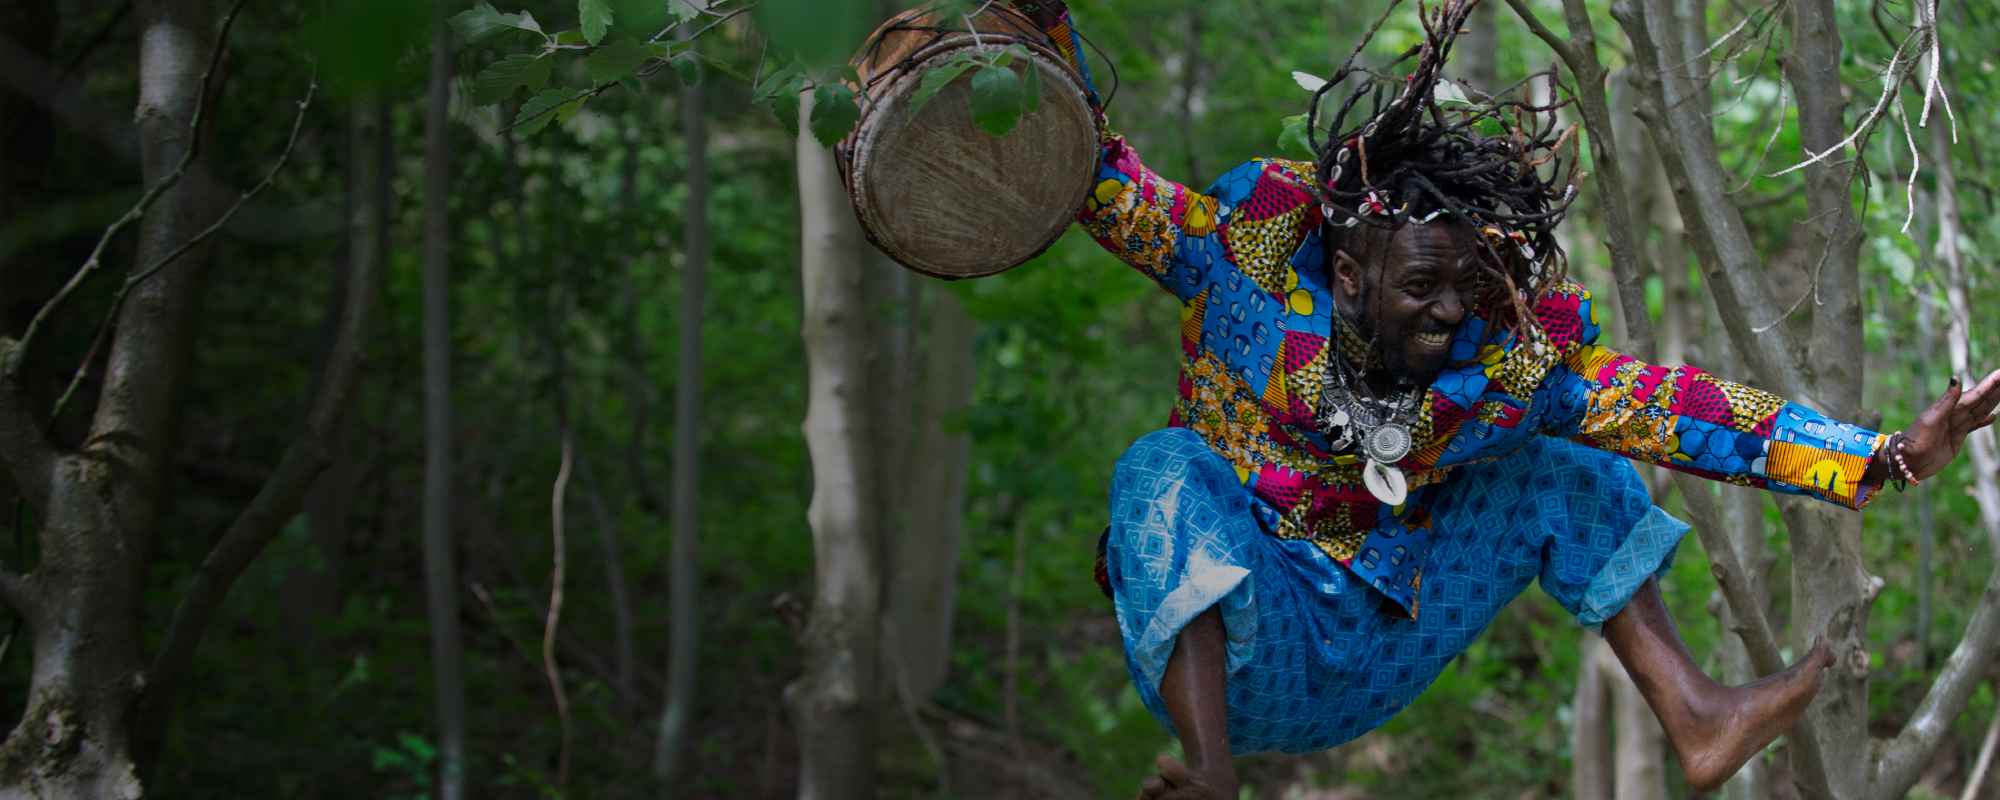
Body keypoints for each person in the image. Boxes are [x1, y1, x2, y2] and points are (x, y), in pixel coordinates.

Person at [999, 0, 2000, 796]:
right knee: (1160, 464)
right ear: (1349, 277)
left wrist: (1880, 456)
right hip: (1221, 646)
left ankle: (1696, 714)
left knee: (1563, 466)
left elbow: (1683, 409)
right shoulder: (1236, 266)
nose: (1445, 311)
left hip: (1370, 652)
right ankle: (1208, 773)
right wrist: (1044, 29)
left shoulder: (1500, 365)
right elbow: (1098, 178)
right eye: (1418, 285)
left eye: (1464, 286)